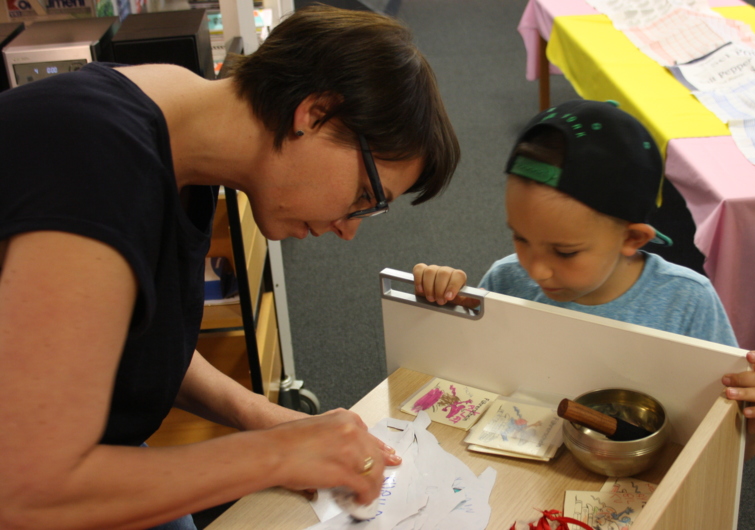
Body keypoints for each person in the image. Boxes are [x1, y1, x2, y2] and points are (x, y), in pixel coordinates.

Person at [0, 5, 459, 529]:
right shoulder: (96, 164)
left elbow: (127, 340)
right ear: (315, 115)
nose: (349, 228)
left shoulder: (182, 129)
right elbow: (28, 488)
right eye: (365, 196)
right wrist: (277, 455)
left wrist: (267, 420)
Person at [412, 99, 755, 461]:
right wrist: (440, 302)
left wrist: (751, 426)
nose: (536, 270)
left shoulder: (689, 303)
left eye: (565, 252)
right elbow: (472, 383)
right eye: (521, 238)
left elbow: (730, 455)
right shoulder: (508, 279)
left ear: (632, 239)